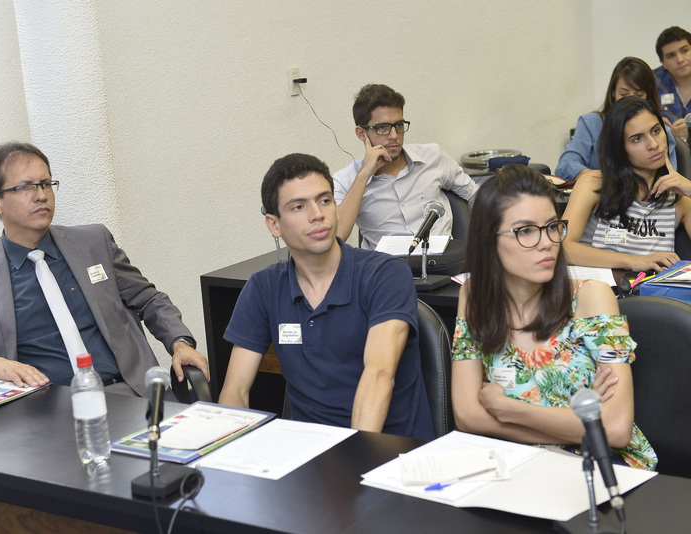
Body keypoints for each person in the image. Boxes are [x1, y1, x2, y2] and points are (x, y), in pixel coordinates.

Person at [0, 142, 208, 396]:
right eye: (25, 187)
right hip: (43, 410)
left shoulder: (94, 242)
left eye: (46, 184)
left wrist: (180, 343)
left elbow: (150, 299)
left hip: (128, 393)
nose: (41, 195)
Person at [451, 164, 656, 470]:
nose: (546, 242)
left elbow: (615, 429)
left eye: (551, 227)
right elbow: (468, 417)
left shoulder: (592, 297)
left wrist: (507, 409)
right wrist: (577, 420)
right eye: (525, 231)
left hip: (600, 464)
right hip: (516, 465)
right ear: (488, 239)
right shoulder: (474, 296)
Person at [219, 153, 434, 440]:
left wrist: (352, 459)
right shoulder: (263, 287)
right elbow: (235, 390)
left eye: (324, 200)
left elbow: (379, 375)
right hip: (309, 452)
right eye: (298, 206)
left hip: (386, 450)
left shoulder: (385, 274)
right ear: (274, 225)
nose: (317, 214)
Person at [333, 84, 478, 250]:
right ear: (361, 133)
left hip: (441, 261)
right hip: (387, 264)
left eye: (399, 125)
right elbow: (336, 236)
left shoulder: (433, 157)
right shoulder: (345, 180)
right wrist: (364, 175)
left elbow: (477, 197)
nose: (394, 136)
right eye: (382, 128)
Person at [562, 96, 691, 271]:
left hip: (651, 288)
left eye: (656, 131)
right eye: (637, 139)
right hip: (597, 285)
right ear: (619, 148)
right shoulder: (594, 183)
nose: (653, 144)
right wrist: (634, 261)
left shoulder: (679, 200)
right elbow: (562, 248)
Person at [555, 57, 677, 181]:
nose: (629, 101)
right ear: (613, 92)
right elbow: (566, 165)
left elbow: (670, 178)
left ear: (648, 96)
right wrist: (600, 181)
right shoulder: (591, 124)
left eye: (639, 95)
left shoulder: (663, 129)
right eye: (624, 94)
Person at [654, 26, 691, 140]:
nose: (680, 60)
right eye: (671, 56)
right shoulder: (651, 81)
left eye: (684, 51)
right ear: (663, 63)